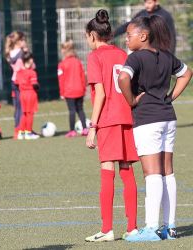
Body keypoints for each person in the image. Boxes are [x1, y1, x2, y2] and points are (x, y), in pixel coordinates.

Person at [118, 15, 192, 242]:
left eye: (129, 36)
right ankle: (169, 228)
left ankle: (150, 229)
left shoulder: (135, 58)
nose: (126, 40)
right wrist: (170, 97)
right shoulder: (166, 55)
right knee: (167, 172)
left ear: (143, 36)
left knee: (152, 174)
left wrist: (131, 100)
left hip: (148, 119)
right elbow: (187, 73)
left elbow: (123, 78)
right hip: (167, 117)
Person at [84, 9, 139, 242]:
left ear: (92, 36)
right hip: (127, 117)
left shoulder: (95, 57)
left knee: (108, 171)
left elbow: (101, 94)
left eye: (86, 36)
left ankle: (107, 229)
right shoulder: (122, 54)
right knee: (127, 171)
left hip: (108, 119)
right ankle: (133, 227)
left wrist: (93, 126)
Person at [4, 31, 33, 139]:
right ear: (19, 41)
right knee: (23, 107)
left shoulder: (10, 52)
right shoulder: (21, 52)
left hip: (14, 81)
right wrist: (25, 51)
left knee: (18, 107)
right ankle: (21, 130)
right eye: (23, 40)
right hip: (22, 82)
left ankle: (20, 129)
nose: (25, 42)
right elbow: (30, 65)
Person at [57, 40, 88, 138]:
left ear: (64, 51)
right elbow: (83, 76)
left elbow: (61, 80)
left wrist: (62, 93)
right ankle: (85, 129)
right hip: (79, 90)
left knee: (72, 111)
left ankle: (72, 131)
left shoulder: (62, 64)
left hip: (69, 92)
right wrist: (83, 88)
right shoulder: (78, 62)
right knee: (80, 110)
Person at [15, 52, 40, 140]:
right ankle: (29, 132)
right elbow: (35, 85)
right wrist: (38, 87)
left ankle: (21, 133)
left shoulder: (19, 72)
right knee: (30, 113)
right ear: (30, 60)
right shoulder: (32, 73)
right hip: (30, 94)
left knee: (24, 113)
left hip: (22, 94)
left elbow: (16, 83)